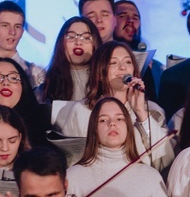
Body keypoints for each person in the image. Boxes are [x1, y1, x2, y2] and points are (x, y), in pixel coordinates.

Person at [53, 41, 174, 171]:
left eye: (128, 62)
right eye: (114, 62)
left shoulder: (153, 111)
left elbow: (164, 160)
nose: (123, 67)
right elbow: (70, 159)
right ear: (99, 73)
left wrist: (141, 113)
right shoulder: (81, 110)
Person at [38, 16, 102, 103]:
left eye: (86, 37)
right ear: (61, 43)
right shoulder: (45, 90)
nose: (78, 42)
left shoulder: (106, 85)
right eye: (71, 37)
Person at [0, 0, 45, 88]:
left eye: (17, 27)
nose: (12, 32)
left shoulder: (35, 73)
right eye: (5, 25)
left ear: (22, 32)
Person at [113, 0, 162, 102]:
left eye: (135, 18)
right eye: (122, 16)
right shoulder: (101, 59)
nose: (130, 21)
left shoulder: (156, 67)